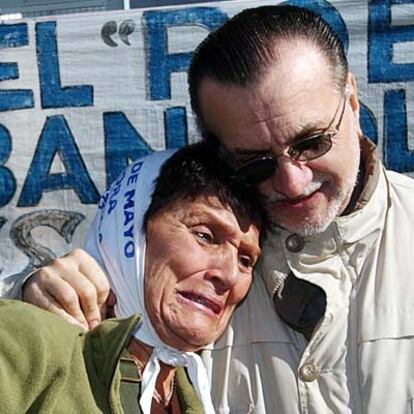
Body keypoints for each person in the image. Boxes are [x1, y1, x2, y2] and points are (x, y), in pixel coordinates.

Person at [6, 4, 414, 413]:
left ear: (353, 100)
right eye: (256, 162)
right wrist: (36, 296)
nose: (292, 181)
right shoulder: (165, 273)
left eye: (311, 142)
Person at [0, 142, 264, 413]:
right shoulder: (29, 344)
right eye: (204, 236)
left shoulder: (193, 393)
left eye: (245, 260)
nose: (230, 275)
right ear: (130, 231)